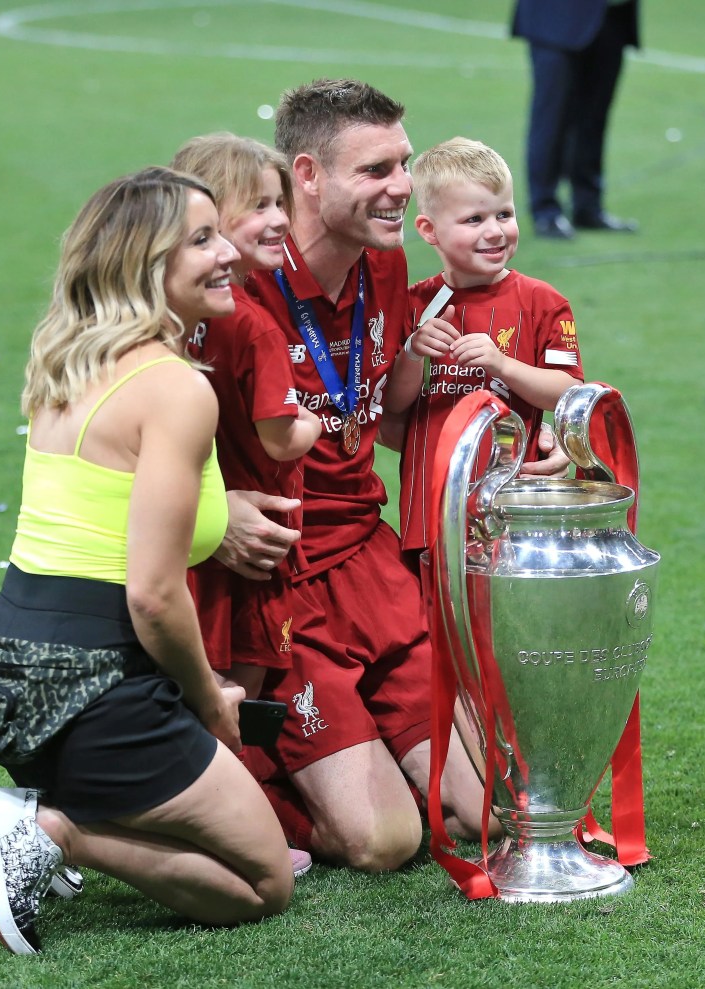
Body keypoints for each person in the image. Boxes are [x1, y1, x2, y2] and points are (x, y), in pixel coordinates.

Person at [0, 167, 302, 956]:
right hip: (98, 687)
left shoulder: (65, 358)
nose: (231, 256)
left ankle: (62, 808)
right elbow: (151, 594)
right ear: (147, 263)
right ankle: (51, 830)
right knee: (265, 881)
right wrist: (207, 696)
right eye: (203, 240)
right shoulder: (175, 388)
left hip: (16, 672)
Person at [218, 78, 490, 872]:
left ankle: (355, 744)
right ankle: (232, 780)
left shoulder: (387, 262)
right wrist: (215, 505)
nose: (403, 187)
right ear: (307, 175)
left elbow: (383, 413)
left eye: (403, 164)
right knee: (385, 839)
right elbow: (138, 412)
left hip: (369, 562)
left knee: (484, 808)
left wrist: (508, 446)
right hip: (282, 580)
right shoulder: (233, 278)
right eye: (376, 171)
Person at [169, 134, 322, 699]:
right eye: (258, 206)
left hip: (192, 540)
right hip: (257, 542)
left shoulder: (171, 315)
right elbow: (282, 441)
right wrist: (313, 420)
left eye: (280, 202)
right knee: (238, 700)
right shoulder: (253, 324)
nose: (280, 219)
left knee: (191, 685)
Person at [385, 137, 586, 555]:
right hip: (430, 507)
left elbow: (568, 393)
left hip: (515, 513)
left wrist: (503, 365)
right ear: (429, 230)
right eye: (474, 219)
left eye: (504, 214)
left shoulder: (544, 302)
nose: (495, 231)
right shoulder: (411, 305)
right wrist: (411, 353)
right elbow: (391, 408)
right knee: (432, 617)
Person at [511, 0, 640, 239]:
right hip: (557, 17)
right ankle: (545, 210)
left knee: (594, 118)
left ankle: (588, 206)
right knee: (551, 118)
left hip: (611, 17)